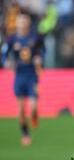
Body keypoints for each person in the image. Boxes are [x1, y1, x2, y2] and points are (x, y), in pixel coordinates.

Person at [2, 12, 44, 146]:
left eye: (24, 21)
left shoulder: (35, 37)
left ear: (28, 23)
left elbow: (42, 50)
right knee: (20, 109)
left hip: (32, 75)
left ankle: (34, 115)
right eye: (19, 21)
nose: (21, 23)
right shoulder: (11, 39)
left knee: (32, 108)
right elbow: (4, 54)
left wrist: (39, 59)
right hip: (19, 75)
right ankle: (25, 134)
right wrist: (6, 62)